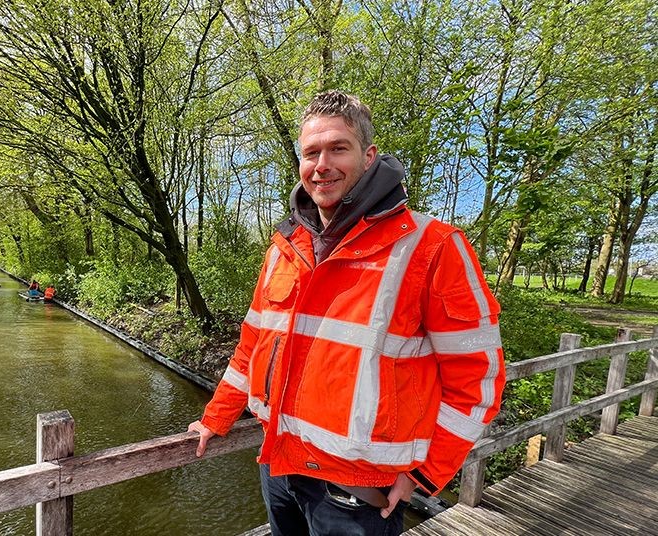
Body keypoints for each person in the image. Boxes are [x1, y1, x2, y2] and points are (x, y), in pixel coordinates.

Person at [187, 91, 504, 535]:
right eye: (311, 152)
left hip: (358, 492)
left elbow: (478, 376)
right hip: (280, 466)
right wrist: (216, 417)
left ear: (369, 156)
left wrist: (425, 472)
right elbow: (252, 347)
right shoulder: (285, 248)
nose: (322, 164)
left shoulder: (430, 246)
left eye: (338, 148)